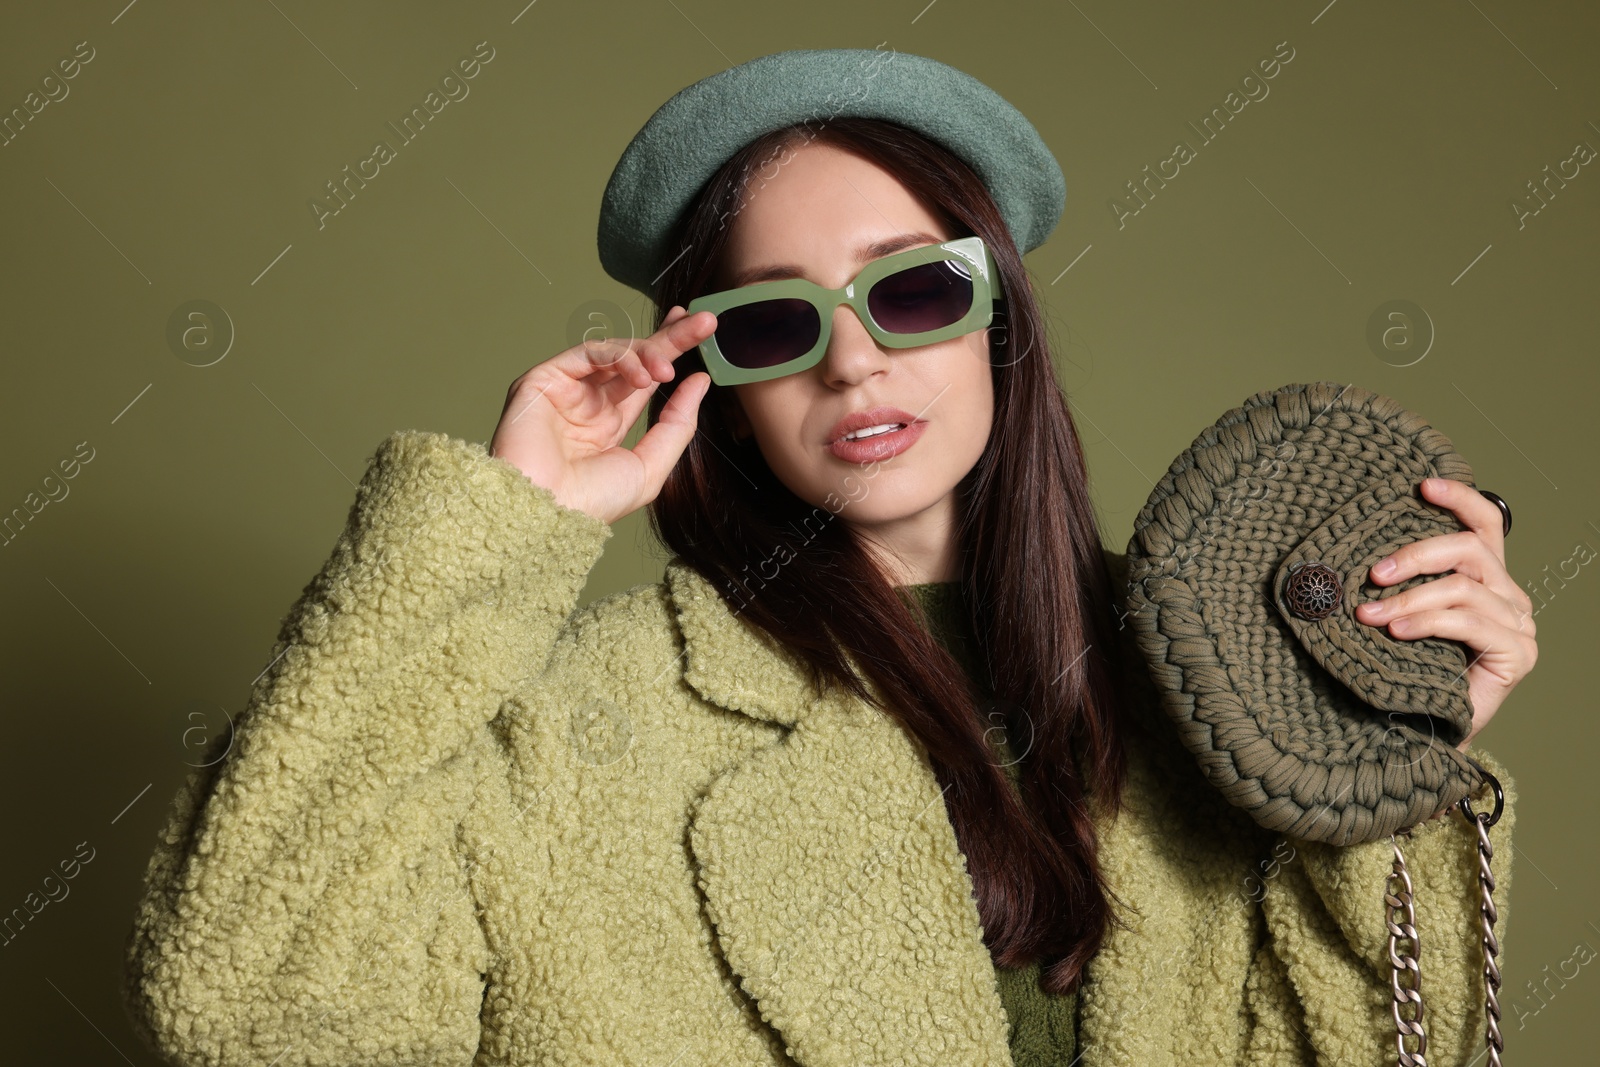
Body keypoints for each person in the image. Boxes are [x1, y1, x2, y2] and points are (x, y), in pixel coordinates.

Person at [121, 49, 1533, 1066]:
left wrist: (1382, 752)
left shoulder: (1214, 686)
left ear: (998, 313)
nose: (856, 360)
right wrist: (502, 522)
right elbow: (246, 1006)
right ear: (715, 370)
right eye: (775, 322)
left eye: (913, 289)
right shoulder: (583, 739)